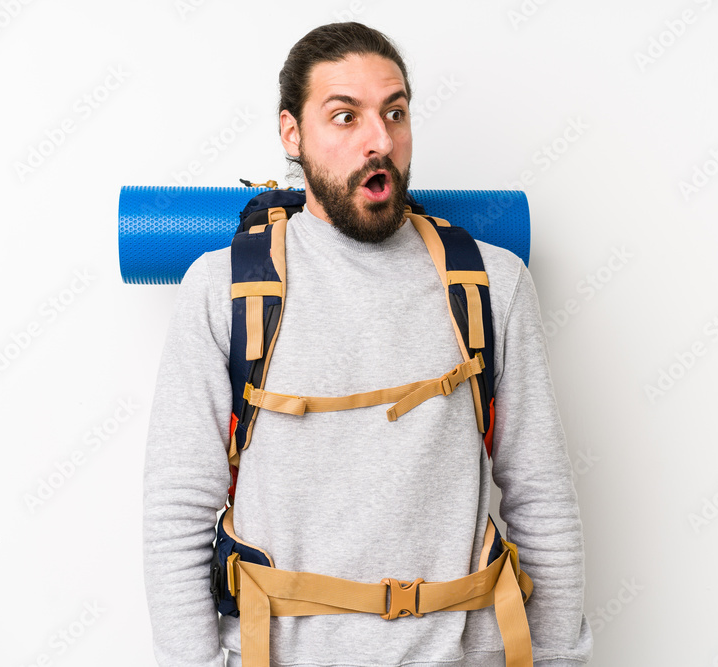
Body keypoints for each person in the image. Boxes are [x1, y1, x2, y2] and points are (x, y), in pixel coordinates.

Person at [142, 21, 593, 666]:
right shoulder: (224, 287)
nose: (380, 141)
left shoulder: (492, 283)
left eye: (395, 113)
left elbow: (541, 500)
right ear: (291, 133)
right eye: (345, 117)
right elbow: (176, 513)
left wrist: (559, 661)